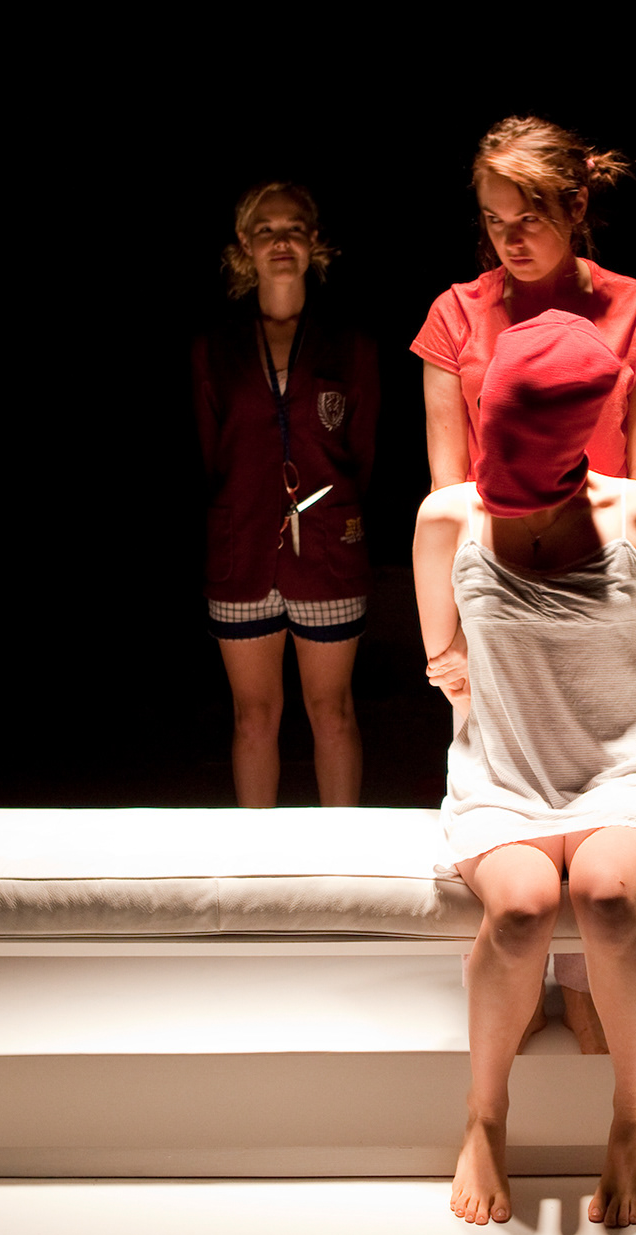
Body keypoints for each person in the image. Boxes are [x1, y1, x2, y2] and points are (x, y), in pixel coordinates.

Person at [413, 310, 636, 1228]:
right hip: (501, 774)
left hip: (616, 771)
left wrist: (603, 688)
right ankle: (485, 1115)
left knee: (608, 896)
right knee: (524, 906)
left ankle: (635, 1114)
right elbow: (444, 662)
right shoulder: (448, 517)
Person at [413, 115, 636, 1043]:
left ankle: (587, 983)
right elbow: (447, 488)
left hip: (602, 580)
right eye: (494, 221)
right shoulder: (458, 314)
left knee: (604, 801)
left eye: (528, 216)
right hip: (498, 586)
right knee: (513, 816)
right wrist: (452, 632)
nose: (510, 238)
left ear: (576, 205)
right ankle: (516, 983)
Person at [193, 182, 376, 807]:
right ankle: (256, 861)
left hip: (328, 552)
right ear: (245, 243)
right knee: (253, 717)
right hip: (239, 552)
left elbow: (363, 453)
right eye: (266, 230)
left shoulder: (349, 342)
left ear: (312, 240)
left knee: (333, 713)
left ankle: (344, 857)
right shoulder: (215, 346)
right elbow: (209, 453)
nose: (280, 241)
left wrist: (335, 515)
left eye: (293, 228)